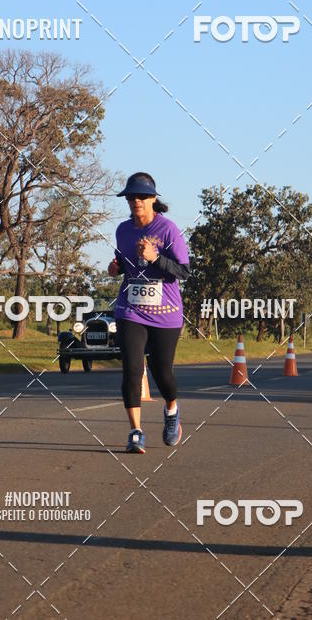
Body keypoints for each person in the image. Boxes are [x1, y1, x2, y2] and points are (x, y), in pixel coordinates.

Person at [108, 172, 189, 454]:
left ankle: (171, 410)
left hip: (165, 313)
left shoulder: (169, 230)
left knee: (161, 373)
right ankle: (135, 432)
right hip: (130, 309)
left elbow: (184, 272)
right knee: (132, 369)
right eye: (131, 197)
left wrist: (157, 258)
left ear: (153, 198)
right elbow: (124, 264)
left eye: (141, 196)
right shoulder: (122, 230)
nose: (136, 201)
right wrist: (115, 268)